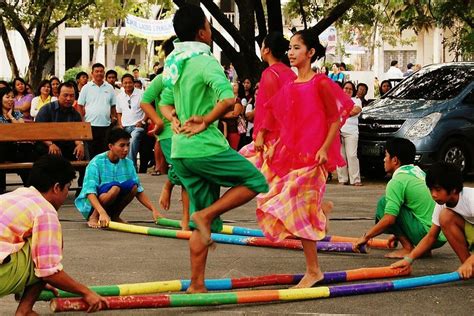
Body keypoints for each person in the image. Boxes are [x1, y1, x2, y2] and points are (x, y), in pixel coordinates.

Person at [161, 4, 268, 293]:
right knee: (256, 180)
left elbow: (164, 101)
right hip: (204, 147)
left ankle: (197, 284)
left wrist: (173, 117)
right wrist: (206, 118)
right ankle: (206, 216)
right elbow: (228, 101)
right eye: (209, 26)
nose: (211, 32)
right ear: (201, 32)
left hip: (181, 151)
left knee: (200, 223)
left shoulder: (176, 62)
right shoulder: (205, 61)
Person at [256, 29, 353, 288]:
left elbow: (335, 118)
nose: (291, 52)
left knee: (299, 210)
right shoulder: (290, 85)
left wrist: (324, 147)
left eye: (297, 47)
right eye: (290, 47)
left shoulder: (319, 83)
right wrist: (273, 143)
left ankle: (314, 271)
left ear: (310, 53)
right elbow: (283, 119)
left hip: (314, 159)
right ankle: (319, 212)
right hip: (295, 157)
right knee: (287, 203)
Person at [0, 155, 107, 315]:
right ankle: (24, 311)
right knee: (47, 251)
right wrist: (86, 292)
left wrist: (34, 279)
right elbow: (48, 271)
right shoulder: (45, 211)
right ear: (57, 187)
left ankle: (25, 309)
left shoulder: (15, 194)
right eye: (67, 188)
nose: (66, 195)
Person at [355, 138, 446, 258]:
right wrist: (398, 234)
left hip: (425, 234)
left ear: (395, 160)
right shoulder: (419, 173)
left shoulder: (397, 181)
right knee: (398, 204)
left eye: (386, 155)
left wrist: (366, 237)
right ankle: (423, 249)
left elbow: (389, 219)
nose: (384, 159)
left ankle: (407, 248)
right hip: (439, 236)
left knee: (384, 203)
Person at [391, 162, 473, 279]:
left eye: (438, 190)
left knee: (446, 216)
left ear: (454, 189)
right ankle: (468, 266)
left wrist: (470, 262)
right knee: (445, 217)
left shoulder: (471, 199)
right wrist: (409, 259)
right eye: (431, 189)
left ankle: (469, 264)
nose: (433, 195)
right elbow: (431, 237)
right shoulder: (442, 204)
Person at [75, 128, 161, 228]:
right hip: (94, 205)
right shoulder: (96, 162)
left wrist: (154, 210)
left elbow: (139, 190)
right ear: (111, 146)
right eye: (122, 145)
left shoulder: (128, 163)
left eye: (128, 145)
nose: (126, 149)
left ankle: (115, 216)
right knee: (115, 188)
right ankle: (94, 217)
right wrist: (101, 212)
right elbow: (90, 191)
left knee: (133, 186)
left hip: (111, 201)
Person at [240, 31, 296, 168]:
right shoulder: (289, 73)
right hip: (284, 135)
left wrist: (261, 134)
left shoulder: (270, 74)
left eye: (262, 45)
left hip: (270, 137)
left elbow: (274, 108)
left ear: (267, 50)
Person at [34, 82, 86, 188]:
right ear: (58, 95)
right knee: (43, 152)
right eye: (65, 95)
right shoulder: (47, 109)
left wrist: (80, 144)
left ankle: (82, 188)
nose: (68, 98)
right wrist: (50, 144)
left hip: (67, 145)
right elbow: (39, 131)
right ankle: (47, 187)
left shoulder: (75, 114)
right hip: (48, 145)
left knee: (85, 152)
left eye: (72, 96)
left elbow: (77, 134)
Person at [77, 63, 117, 158]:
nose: (99, 73)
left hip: (105, 125)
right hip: (90, 125)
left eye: (101, 71)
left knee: (103, 152)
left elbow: (113, 106)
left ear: (104, 73)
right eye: (96, 71)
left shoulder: (110, 88)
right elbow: (80, 105)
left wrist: (113, 117)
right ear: (92, 73)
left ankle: (102, 172)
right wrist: (82, 120)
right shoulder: (86, 88)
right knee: (90, 152)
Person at [116, 74, 146, 169]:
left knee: (133, 140)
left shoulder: (141, 94)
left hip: (138, 126)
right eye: (125, 83)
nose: (127, 85)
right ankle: (123, 167)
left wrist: (143, 121)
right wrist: (120, 125)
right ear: (122, 84)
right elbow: (119, 112)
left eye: (130, 82)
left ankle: (130, 167)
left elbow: (148, 110)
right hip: (124, 127)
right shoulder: (120, 96)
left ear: (133, 83)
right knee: (120, 143)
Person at [337, 81, 362, 186]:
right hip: (338, 131)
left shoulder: (356, 100)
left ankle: (355, 180)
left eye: (350, 89)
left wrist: (343, 113)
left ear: (353, 91)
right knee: (341, 156)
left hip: (352, 132)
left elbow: (356, 110)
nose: (347, 90)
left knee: (352, 155)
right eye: (345, 88)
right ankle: (343, 179)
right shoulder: (337, 100)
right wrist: (347, 112)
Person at [221, 82, 243, 150]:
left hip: (233, 130)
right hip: (222, 129)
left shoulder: (237, 100)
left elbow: (235, 113)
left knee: (233, 149)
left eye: (235, 85)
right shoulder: (223, 99)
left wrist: (219, 115)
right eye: (231, 85)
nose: (232, 87)